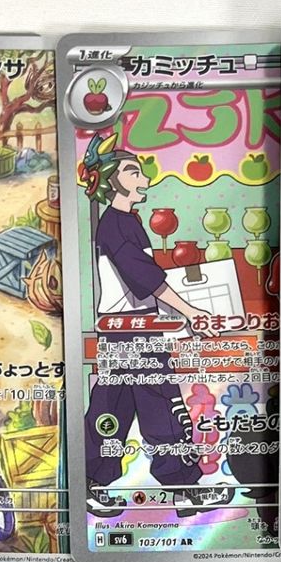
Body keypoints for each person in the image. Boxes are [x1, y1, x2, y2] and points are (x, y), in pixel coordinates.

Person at [81, 145, 228, 518]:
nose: (144, 178)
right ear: (113, 181)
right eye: (133, 172)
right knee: (159, 403)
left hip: (127, 328)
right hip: (132, 330)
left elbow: (144, 281)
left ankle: (92, 483)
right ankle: (181, 489)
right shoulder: (117, 223)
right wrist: (190, 312)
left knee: (113, 406)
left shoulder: (125, 220)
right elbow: (143, 276)